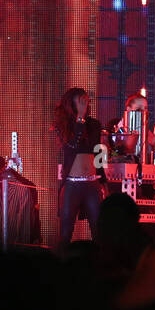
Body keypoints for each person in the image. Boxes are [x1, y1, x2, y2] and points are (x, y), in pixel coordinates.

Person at [52, 87, 106, 248]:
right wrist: (80, 119)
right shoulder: (63, 126)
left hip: (91, 183)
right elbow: (72, 146)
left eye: (86, 101)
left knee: (98, 229)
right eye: (80, 101)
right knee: (66, 230)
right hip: (72, 184)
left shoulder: (94, 124)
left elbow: (98, 152)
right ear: (71, 103)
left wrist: (103, 180)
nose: (84, 104)